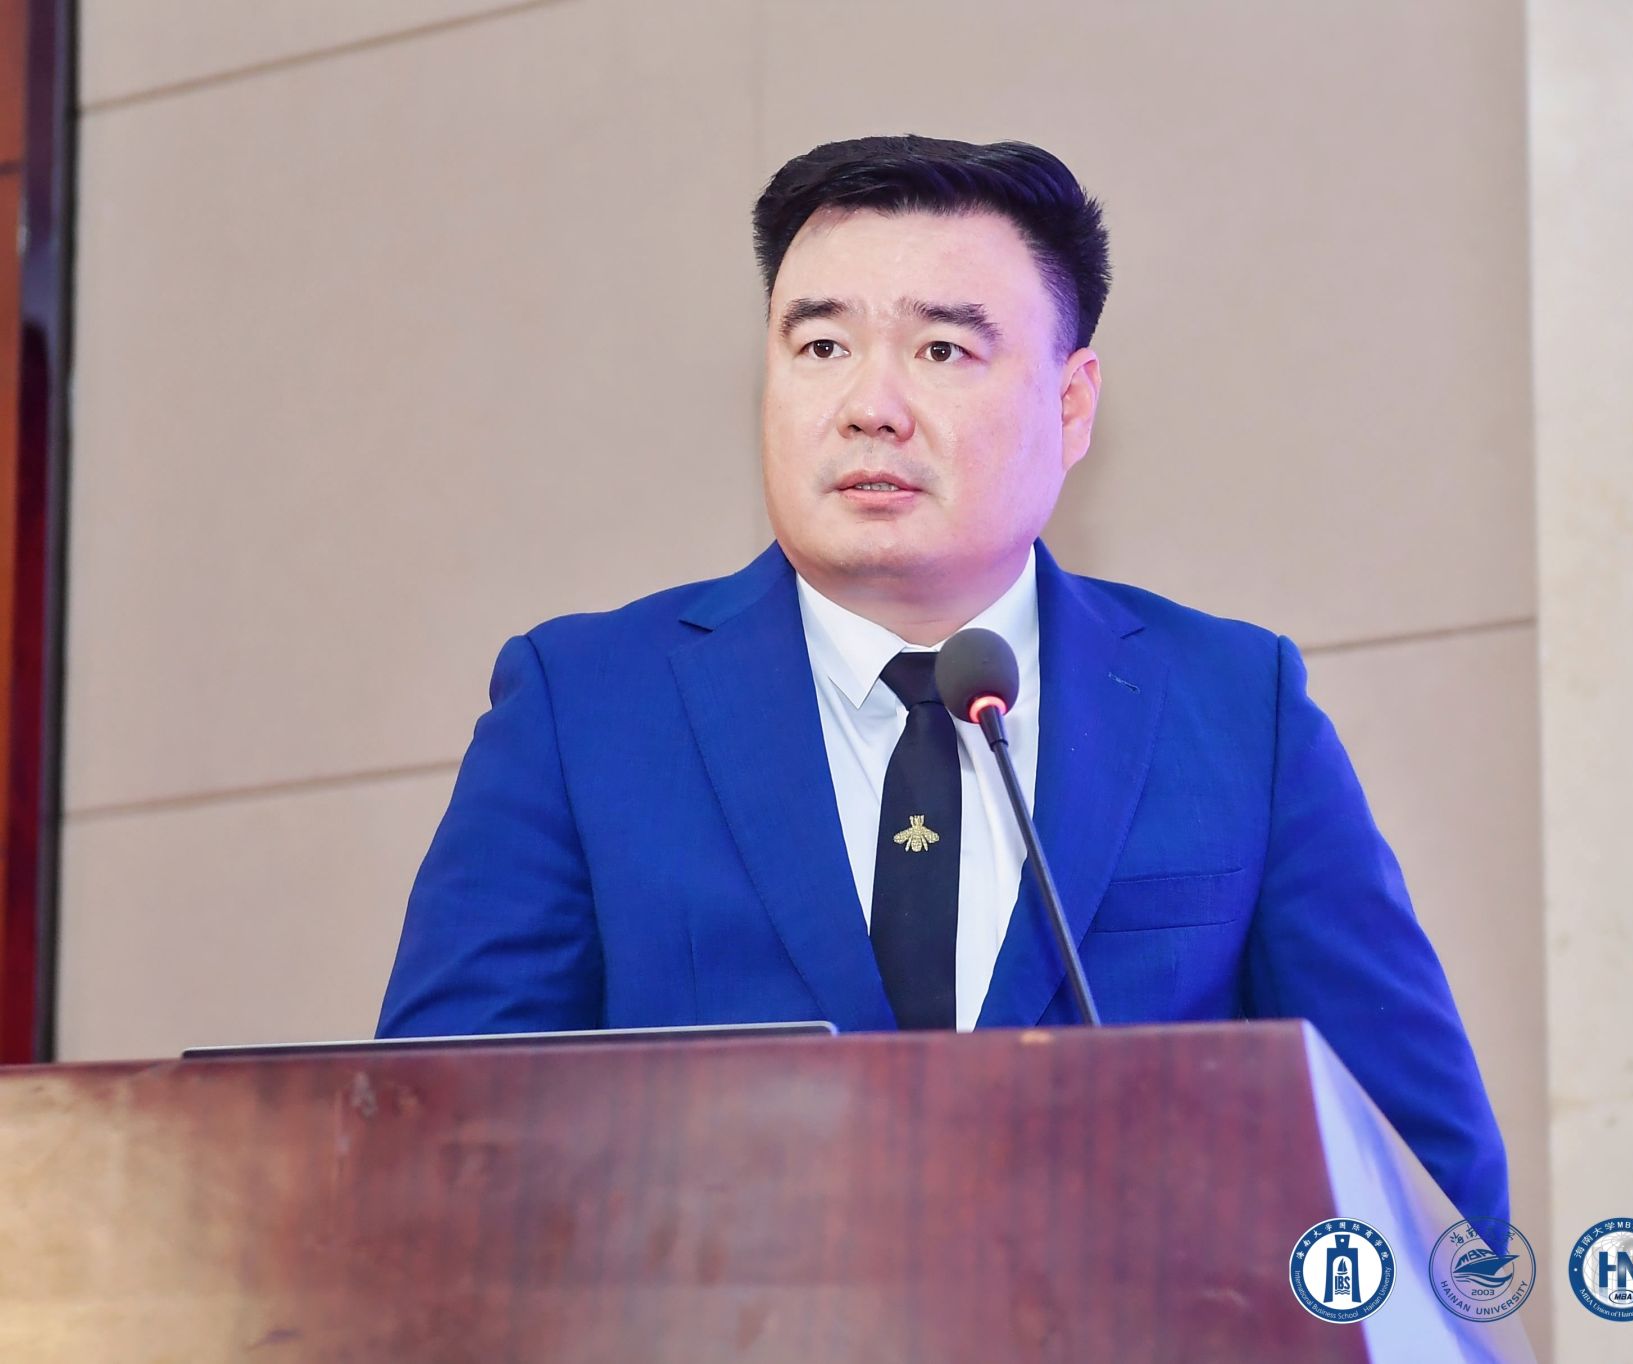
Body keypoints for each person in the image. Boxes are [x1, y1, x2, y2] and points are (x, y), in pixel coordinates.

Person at [377, 135, 1508, 1231]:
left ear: (1070, 405)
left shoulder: (1234, 711)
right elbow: (428, 1158)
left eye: (941, 351)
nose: (869, 404)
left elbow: (1426, 1181)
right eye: (821, 346)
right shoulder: (585, 711)